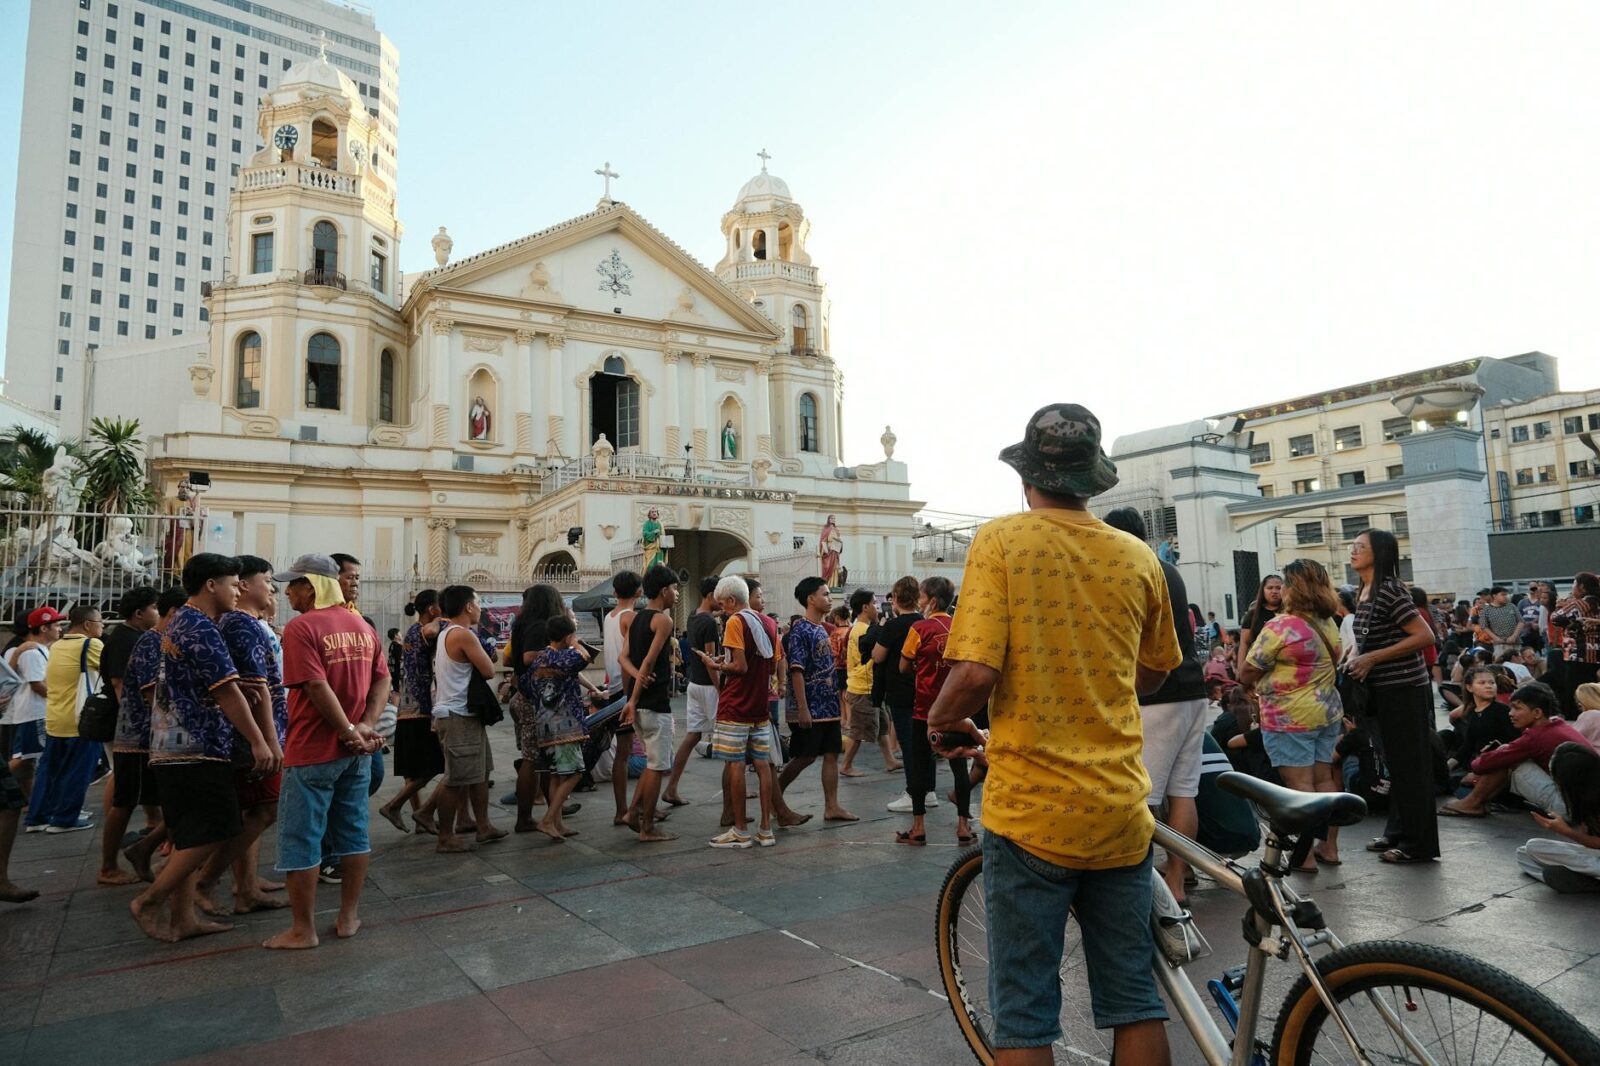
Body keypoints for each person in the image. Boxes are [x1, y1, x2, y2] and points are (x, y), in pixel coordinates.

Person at [928, 403, 1182, 1065]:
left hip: (1032, 813)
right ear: (1092, 482)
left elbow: (976, 671)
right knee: (1135, 998)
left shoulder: (1003, 541)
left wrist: (939, 717)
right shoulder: (1137, 558)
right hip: (1119, 810)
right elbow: (1154, 674)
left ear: (1027, 478)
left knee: (1023, 1011)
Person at [132, 554, 278, 942]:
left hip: (172, 744)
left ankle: (183, 918)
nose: (238, 590)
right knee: (217, 827)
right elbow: (226, 691)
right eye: (233, 583)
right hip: (198, 745)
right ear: (211, 585)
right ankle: (151, 899)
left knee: (187, 834)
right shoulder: (201, 628)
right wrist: (259, 740)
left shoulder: (182, 623)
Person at [263, 553, 390, 949]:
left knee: (301, 837)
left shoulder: (302, 628)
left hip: (314, 750)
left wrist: (347, 730)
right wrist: (363, 726)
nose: (287, 592)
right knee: (353, 833)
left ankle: (303, 930)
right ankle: (348, 915)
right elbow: (382, 681)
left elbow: (316, 687)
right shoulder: (359, 625)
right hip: (356, 753)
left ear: (313, 585)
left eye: (295, 584)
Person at [1104, 507, 1210, 902]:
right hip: (1192, 691)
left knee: (1142, 797)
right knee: (1184, 792)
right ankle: (1178, 882)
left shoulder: (1128, 567)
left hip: (1157, 694)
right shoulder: (1170, 569)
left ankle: (1145, 887)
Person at [1238, 558, 1345, 871]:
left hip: (1290, 716)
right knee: (1324, 779)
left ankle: (1305, 856)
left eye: (1283, 583)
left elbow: (1247, 672)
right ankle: (1330, 847)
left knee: (1298, 786)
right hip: (1327, 711)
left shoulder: (1281, 626)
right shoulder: (1328, 621)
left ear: (1292, 588)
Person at [198, 555, 288, 915]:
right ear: (246, 586)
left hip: (265, 729)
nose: (272, 588)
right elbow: (255, 687)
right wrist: (266, 739)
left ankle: (246, 887)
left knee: (252, 809)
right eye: (267, 580)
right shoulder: (241, 625)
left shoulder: (250, 623)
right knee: (266, 807)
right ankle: (204, 879)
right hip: (257, 733)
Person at [1345, 530, 1438, 864]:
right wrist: (1356, 652)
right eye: (1353, 546)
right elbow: (1370, 636)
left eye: (1361, 547)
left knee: (1411, 767)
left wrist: (1372, 658)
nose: (1353, 551)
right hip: (1382, 690)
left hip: (1403, 688)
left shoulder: (1389, 589)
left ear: (1380, 553)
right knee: (1397, 766)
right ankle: (1398, 832)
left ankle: (1419, 845)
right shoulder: (1364, 589)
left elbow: (1424, 636)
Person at [109, 586, 184, 884]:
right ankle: (108, 866)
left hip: (158, 737)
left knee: (176, 802)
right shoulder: (151, 642)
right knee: (125, 801)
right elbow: (155, 694)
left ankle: (149, 849)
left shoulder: (163, 640)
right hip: (141, 738)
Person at [701, 575, 780, 848]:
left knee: (735, 764)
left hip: (736, 705)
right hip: (760, 705)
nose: (722, 610)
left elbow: (741, 667)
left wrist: (717, 665)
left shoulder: (736, 621)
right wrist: (730, 660)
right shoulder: (768, 622)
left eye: (723, 605)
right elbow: (769, 666)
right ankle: (766, 829)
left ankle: (741, 830)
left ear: (733, 601)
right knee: (762, 764)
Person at [1440, 681, 1595, 820]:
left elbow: (1479, 765)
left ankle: (1472, 803)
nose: (1510, 713)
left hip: (1570, 809)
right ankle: (1477, 802)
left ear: (1537, 713)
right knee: (1505, 754)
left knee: (1509, 760)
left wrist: (1482, 761)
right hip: (1585, 807)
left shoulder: (1537, 735)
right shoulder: (1557, 724)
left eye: (1517, 708)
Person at [431, 584, 506, 853]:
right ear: (468, 607)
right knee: (457, 778)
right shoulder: (462, 634)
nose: (481, 608)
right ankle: (445, 836)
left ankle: (483, 826)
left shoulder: (446, 632)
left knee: (480, 773)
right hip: (458, 714)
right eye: (478, 602)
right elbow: (487, 670)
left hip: (461, 713)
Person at [898, 576, 972, 846]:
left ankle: (918, 827)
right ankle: (963, 826)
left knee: (919, 766)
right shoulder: (961, 627)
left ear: (931, 600)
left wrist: (922, 668)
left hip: (925, 711)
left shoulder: (920, 628)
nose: (919, 600)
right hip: (957, 709)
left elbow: (903, 667)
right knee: (959, 766)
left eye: (921, 596)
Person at [778, 576, 858, 825]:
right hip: (811, 707)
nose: (829, 598)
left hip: (829, 706)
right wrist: (802, 708)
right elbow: (796, 670)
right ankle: (774, 799)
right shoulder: (801, 630)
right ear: (811, 599)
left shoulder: (821, 629)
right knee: (805, 756)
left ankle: (832, 806)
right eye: (824, 594)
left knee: (832, 753)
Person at [28, 605, 106, 833]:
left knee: (50, 771)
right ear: (88, 625)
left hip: (54, 718)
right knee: (78, 771)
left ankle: (38, 817)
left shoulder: (57, 645)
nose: (102, 626)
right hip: (79, 720)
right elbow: (115, 670)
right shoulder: (91, 644)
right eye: (100, 622)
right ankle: (65, 819)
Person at [519, 614, 595, 841]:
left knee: (556, 775)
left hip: (544, 722)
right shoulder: (566, 657)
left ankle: (558, 823)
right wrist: (576, 643)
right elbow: (585, 657)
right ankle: (548, 820)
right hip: (565, 724)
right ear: (566, 635)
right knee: (574, 773)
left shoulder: (540, 658)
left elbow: (526, 686)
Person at [621, 565, 680, 843]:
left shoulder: (635, 619)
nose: (677, 594)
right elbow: (648, 660)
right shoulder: (663, 621)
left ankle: (633, 812)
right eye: (675, 588)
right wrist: (634, 694)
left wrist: (634, 688)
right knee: (657, 766)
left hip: (641, 702)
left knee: (651, 763)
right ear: (664, 590)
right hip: (654, 703)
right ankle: (647, 826)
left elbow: (625, 658)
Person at [380, 590, 445, 834]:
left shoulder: (409, 633)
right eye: (441, 606)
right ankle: (395, 805)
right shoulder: (423, 630)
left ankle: (420, 822)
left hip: (406, 708)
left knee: (413, 768)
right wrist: (453, 618)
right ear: (431, 609)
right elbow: (435, 629)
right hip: (420, 709)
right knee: (432, 766)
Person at [507, 583, 570, 827]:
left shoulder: (524, 624)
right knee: (532, 758)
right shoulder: (538, 627)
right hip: (534, 699)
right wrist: (561, 657)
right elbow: (528, 657)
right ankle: (524, 817)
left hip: (529, 696)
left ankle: (551, 812)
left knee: (541, 758)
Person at [875, 576, 932, 813]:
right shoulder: (924, 622)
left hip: (900, 691)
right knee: (926, 744)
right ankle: (928, 791)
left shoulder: (893, 626)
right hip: (925, 689)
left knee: (909, 745)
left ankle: (913, 792)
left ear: (896, 599)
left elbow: (878, 656)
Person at [664, 577, 720, 806]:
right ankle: (738, 787)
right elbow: (711, 659)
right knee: (731, 737)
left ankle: (671, 788)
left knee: (692, 735)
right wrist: (721, 688)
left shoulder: (694, 615)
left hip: (695, 685)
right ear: (711, 595)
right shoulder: (709, 624)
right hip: (709, 685)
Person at [1518, 742, 1600, 892]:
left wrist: (1567, 832)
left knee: (1533, 847)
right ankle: (1591, 881)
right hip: (1595, 858)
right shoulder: (1585, 799)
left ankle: (1590, 876)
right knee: (1523, 853)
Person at [3, 608, 64, 810]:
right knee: (36, 760)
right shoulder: (29, 651)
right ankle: (44, 804)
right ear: (43, 627)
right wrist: (59, 699)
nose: (60, 628)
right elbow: (36, 684)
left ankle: (33, 802)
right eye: (56, 625)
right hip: (33, 712)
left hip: (29, 712)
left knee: (25, 760)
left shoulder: (35, 649)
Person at [841, 588, 896, 777]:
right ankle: (846, 765)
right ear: (865, 607)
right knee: (859, 729)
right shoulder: (864, 630)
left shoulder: (861, 628)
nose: (877, 607)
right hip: (863, 687)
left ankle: (890, 760)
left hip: (871, 686)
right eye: (874, 603)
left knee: (881, 725)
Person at [602, 570, 642, 824]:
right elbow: (628, 658)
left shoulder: (610, 616)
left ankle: (624, 808)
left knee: (623, 752)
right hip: (627, 689)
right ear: (639, 592)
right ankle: (634, 809)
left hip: (613, 686)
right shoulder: (632, 618)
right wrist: (632, 697)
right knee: (636, 750)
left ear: (615, 592)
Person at [1442, 666, 1518, 775]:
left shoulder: (1502, 710)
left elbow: (1514, 740)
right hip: (1476, 762)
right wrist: (1448, 765)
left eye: (1492, 683)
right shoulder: (1472, 712)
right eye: (1482, 683)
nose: (1488, 686)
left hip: (1496, 765)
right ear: (1469, 687)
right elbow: (1468, 745)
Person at [1552, 572, 1600, 716]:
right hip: (1596, 653)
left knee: (1576, 688)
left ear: (1582, 587)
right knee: (1594, 688)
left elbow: (1556, 618)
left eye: (1574, 584)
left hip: (1577, 652)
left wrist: (1560, 606)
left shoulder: (1578, 603)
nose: (1572, 588)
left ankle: (1576, 716)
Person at [1236, 574, 1283, 678]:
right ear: (1263, 590)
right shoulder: (1253, 614)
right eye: (1270, 588)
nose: (1274, 591)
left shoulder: (1290, 613)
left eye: (1278, 588)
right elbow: (1244, 643)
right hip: (1257, 669)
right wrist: (1240, 672)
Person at [1474, 587, 1524, 655]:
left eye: (1506, 595)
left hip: (1515, 642)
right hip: (1499, 644)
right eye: (1503, 595)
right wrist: (1496, 638)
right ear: (1494, 596)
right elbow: (1484, 626)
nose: (1506, 597)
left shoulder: (1511, 606)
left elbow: (1521, 621)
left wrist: (1514, 636)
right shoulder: (1486, 610)